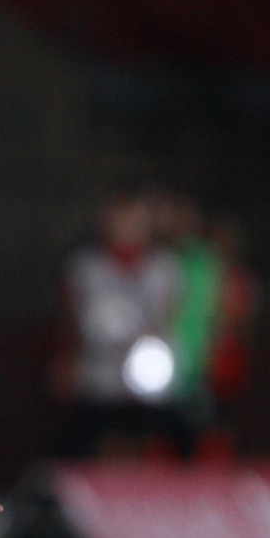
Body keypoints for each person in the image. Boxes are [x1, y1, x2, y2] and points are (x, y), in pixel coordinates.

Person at [53, 189, 187, 460]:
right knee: (97, 446)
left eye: (132, 220)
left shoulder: (164, 267)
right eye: (119, 219)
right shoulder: (84, 266)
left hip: (145, 376)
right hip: (98, 373)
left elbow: (169, 316)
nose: (125, 227)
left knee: (146, 444)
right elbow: (70, 320)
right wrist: (66, 360)